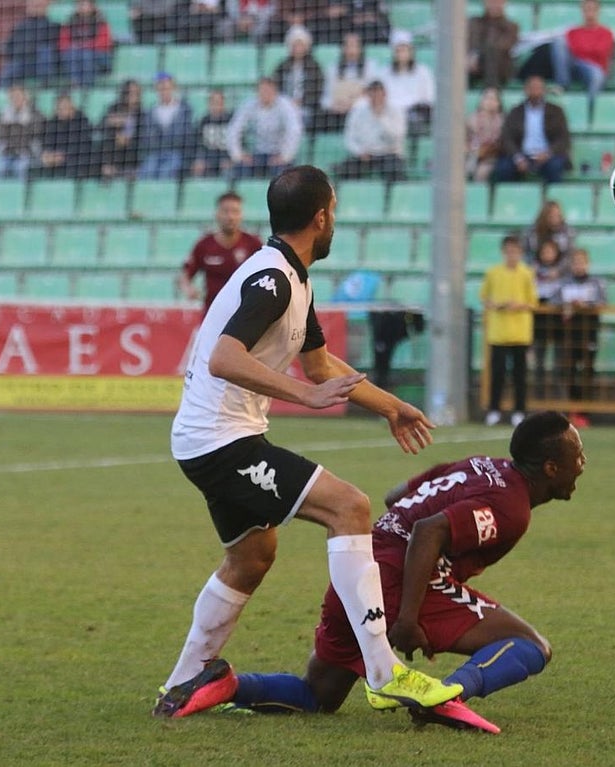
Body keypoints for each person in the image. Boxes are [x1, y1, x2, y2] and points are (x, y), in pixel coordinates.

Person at [153, 165, 462, 718]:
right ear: (321, 217)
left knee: (252, 556)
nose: (335, 220)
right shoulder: (271, 280)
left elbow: (320, 365)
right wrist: (300, 394)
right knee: (351, 507)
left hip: (212, 440)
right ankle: (384, 670)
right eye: (335, 211)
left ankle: (181, 684)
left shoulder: (294, 278)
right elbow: (226, 356)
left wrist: (391, 406)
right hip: (221, 442)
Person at [171, 411, 587, 733]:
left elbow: (396, 497)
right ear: (550, 468)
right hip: (397, 579)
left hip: (357, 567)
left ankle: (223, 685)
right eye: (577, 457)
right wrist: (406, 620)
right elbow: (430, 529)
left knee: (318, 694)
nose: (582, 465)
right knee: (530, 644)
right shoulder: (510, 508)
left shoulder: (481, 465)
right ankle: (444, 697)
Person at [480, 234, 537, 428]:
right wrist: (496, 304)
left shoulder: (527, 273)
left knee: (520, 375)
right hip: (498, 332)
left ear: (520, 252)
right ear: (503, 252)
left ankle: (519, 410)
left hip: (520, 333)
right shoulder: (493, 273)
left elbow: (533, 302)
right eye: (509, 251)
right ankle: (494, 409)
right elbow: (484, 297)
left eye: (515, 251)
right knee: (498, 374)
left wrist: (518, 305)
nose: (512, 255)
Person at [178, 191, 264, 312]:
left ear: (241, 215)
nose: (230, 217)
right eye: (225, 211)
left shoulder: (253, 243)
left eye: (235, 211)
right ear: (217, 214)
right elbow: (185, 274)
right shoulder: (204, 245)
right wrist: (188, 289)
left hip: (245, 314)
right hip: (212, 313)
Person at [556, 248, 605, 429]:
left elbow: (602, 303)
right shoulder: (565, 283)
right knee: (569, 372)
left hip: (588, 332)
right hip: (569, 334)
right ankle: (572, 410)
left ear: (587, 263)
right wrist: (566, 306)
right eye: (575, 262)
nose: (578, 265)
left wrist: (586, 305)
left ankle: (584, 412)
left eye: (581, 262)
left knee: (586, 373)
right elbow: (554, 302)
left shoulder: (595, 283)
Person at [492, 75, 572, 184]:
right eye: (532, 88)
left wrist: (547, 154)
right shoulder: (515, 111)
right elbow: (507, 137)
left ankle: (551, 199)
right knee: (503, 168)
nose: (535, 92)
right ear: (525, 90)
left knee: (555, 166)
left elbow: (563, 138)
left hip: (547, 155)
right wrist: (518, 157)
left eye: (538, 88)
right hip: (522, 154)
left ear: (544, 91)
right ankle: (510, 199)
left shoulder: (556, 111)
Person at [226, 76, 304, 180]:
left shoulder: (285, 105)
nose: (265, 94)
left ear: (275, 91)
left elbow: (294, 130)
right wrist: (239, 155)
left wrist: (285, 156)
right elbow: (234, 129)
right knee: (239, 171)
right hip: (257, 154)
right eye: (261, 90)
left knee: (283, 177)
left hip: (279, 154)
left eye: (268, 90)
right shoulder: (249, 105)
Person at [334, 79, 406, 182]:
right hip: (365, 155)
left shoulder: (396, 111)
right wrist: (359, 151)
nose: (375, 97)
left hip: (388, 154)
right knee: (344, 170)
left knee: (396, 172)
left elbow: (397, 138)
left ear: (385, 94)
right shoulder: (358, 112)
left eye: (378, 93)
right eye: (372, 94)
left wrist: (381, 118)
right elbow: (349, 137)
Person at [550, 0, 615, 102]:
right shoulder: (573, 32)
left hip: (595, 67)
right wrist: (587, 50)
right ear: (582, 11)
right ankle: (562, 84)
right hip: (575, 65)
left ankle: (589, 109)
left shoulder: (606, 32)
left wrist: (580, 50)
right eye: (586, 10)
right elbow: (573, 52)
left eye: (593, 9)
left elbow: (601, 52)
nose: (589, 13)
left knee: (597, 76)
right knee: (559, 42)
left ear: (598, 11)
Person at [318, 32, 379, 133]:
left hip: (361, 111)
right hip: (336, 113)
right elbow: (325, 98)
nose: (351, 50)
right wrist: (334, 105)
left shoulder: (371, 67)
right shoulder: (332, 69)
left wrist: (352, 104)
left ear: (360, 48)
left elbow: (373, 94)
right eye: (347, 46)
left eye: (354, 46)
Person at [138, 73, 194, 179]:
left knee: (166, 172)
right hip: (155, 153)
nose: (164, 92)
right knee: (147, 172)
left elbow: (185, 135)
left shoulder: (184, 109)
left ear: (174, 88)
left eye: (167, 88)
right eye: (161, 88)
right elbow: (148, 137)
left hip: (176, 153)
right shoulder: (151, 111)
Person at [380, 30, 435, 137]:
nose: (401, 54)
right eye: (398, 50)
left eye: (404, 50)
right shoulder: (384, 73)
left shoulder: (423, 72)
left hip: (415, 115)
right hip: (390, 115)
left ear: (411, 51)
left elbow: (429, 99)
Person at [272, 24, 326, 131]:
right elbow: (275, 87)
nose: (297, 48)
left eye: (300, 45)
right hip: (283, 106)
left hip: (306, 108)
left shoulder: (314, 67)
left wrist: (302, 102)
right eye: (294, 45)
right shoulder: (282, 66)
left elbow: (318, 91)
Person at [34, 92, 96, 179]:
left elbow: (82, 145)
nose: (62, 110)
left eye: (65, 107)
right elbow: (47, 141)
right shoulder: (52, 123)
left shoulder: (82, 121)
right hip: (56, 158)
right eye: (59, 108)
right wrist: (47, 154)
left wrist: (62, 156)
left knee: (75, 166)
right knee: (37, 164)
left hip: (77, 157)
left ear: (72, 108)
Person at [0, 0, 59, 86]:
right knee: (7, 74)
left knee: (45, 52)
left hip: (39, 62)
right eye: (33, 4)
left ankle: (46, 88)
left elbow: (53, 46)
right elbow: (9, 46)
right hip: (21, 61)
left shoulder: (52, 25)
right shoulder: (21, 26)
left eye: (39, 5)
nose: (35, 7)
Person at [531, 240, 564, 398]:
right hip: (539, 321)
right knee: (539, 362)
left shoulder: (563, 273)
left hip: (558, 322)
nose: (547, 255)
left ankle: (559, 398)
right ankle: (539, 397)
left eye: (551, 251)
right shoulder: (532, 271)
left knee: (559, 362)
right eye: (545, 251)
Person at [0, 83, 42, 180]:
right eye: (13, 96)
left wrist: (19, 124)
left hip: (27, 152)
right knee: (0, 168)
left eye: (19, 95)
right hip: (7, 152)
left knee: (21, 168)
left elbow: (36, 133)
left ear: (26, 97)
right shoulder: (2, 114)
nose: (16, 99)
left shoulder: (35, 113)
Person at [58, 0, 112, 88]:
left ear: (92, 6)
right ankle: (74, 84)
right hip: (76, 56)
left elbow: (104, 43)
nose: (83, 7)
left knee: (86, 54)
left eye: (86, 4)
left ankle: (87, 87)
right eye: (80, 4)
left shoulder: (101, 22)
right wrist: (77, 47)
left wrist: (84, 46)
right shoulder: (69, 22)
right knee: (72, 52)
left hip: (100, 58)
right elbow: (63, 44)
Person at [467, 0, 520, 89]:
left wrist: (476, 54)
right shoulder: (474, 23)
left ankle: (491, 91)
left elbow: (502, 46)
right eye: (491, 2)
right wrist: (471, 54)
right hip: (473, 65)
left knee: (491, 51)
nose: (494, 5)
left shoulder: (511, 26)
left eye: (497, 2)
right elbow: (470, 42)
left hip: (500, 67)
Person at [98, 79, 142, 179]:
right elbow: (99, 128)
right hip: (113, 149)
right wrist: (111, 123)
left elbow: (142, 134)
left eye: (136, 92)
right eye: (130, 92)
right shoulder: (114, 109)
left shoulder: (141, 113)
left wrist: (128, 139)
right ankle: (108, 168)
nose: (133, 95)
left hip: (131, 152)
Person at [190, 90, 235, 178]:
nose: (216, 105)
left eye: (219, 102)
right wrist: (199, 160)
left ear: (223, 103)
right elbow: (199, 144)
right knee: (198, 169)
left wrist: (232, 159)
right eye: (213, 102)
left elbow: (239, 142)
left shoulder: (231, 120)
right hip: (208, 158)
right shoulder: (203, 121)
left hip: (226, 157)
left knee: (229, 171)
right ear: (209, 104)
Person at [308, 0, 390, 46]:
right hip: (345, 26)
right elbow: (332, 11)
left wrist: (361, 17)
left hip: (368, 29)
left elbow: (380, 14)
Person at [466, 87, 505, 182]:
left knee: (481, 173)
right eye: (487, 98)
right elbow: (464, 140)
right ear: (481, 101)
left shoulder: (504, 121)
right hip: (472, 154)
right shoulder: (471, 120)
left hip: (493, 157)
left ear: (498, 103)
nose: (490, 102)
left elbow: (502, 143)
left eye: (493, 99)